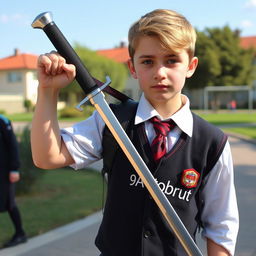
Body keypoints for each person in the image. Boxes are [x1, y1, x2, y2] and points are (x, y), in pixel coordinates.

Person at [31, 9, 239, 256]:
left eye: (172, 60)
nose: (160, 72)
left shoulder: (212, 143)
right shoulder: (111, 121)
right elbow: (47, 156)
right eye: (148, 61)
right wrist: (48, 91)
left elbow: (221, 226)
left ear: (191, 66)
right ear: (133, 67)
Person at [0, 115, 27, 248]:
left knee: (10, 203)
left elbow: (13, 145)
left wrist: (14, 169)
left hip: (4, 172)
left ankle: (20, 234)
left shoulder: (3, 121)